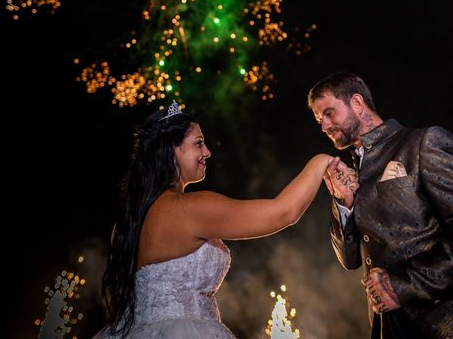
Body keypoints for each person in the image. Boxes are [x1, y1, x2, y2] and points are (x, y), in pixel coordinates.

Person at [92, 101, 336, 338]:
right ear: (172, 150)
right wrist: (320, 162)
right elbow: (284, 212)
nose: (207, 152)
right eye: (198, 144)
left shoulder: (125, 224)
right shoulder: (191, 209)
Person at [307, 71, 453, 338]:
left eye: (328, 113)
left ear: (357, 104)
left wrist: (403, 285)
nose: (324, 126)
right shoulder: (354, 174)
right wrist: (343, 204)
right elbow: (350, 260)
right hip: (389, 328)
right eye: (318, 120)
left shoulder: (423, 143)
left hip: (449, 325)